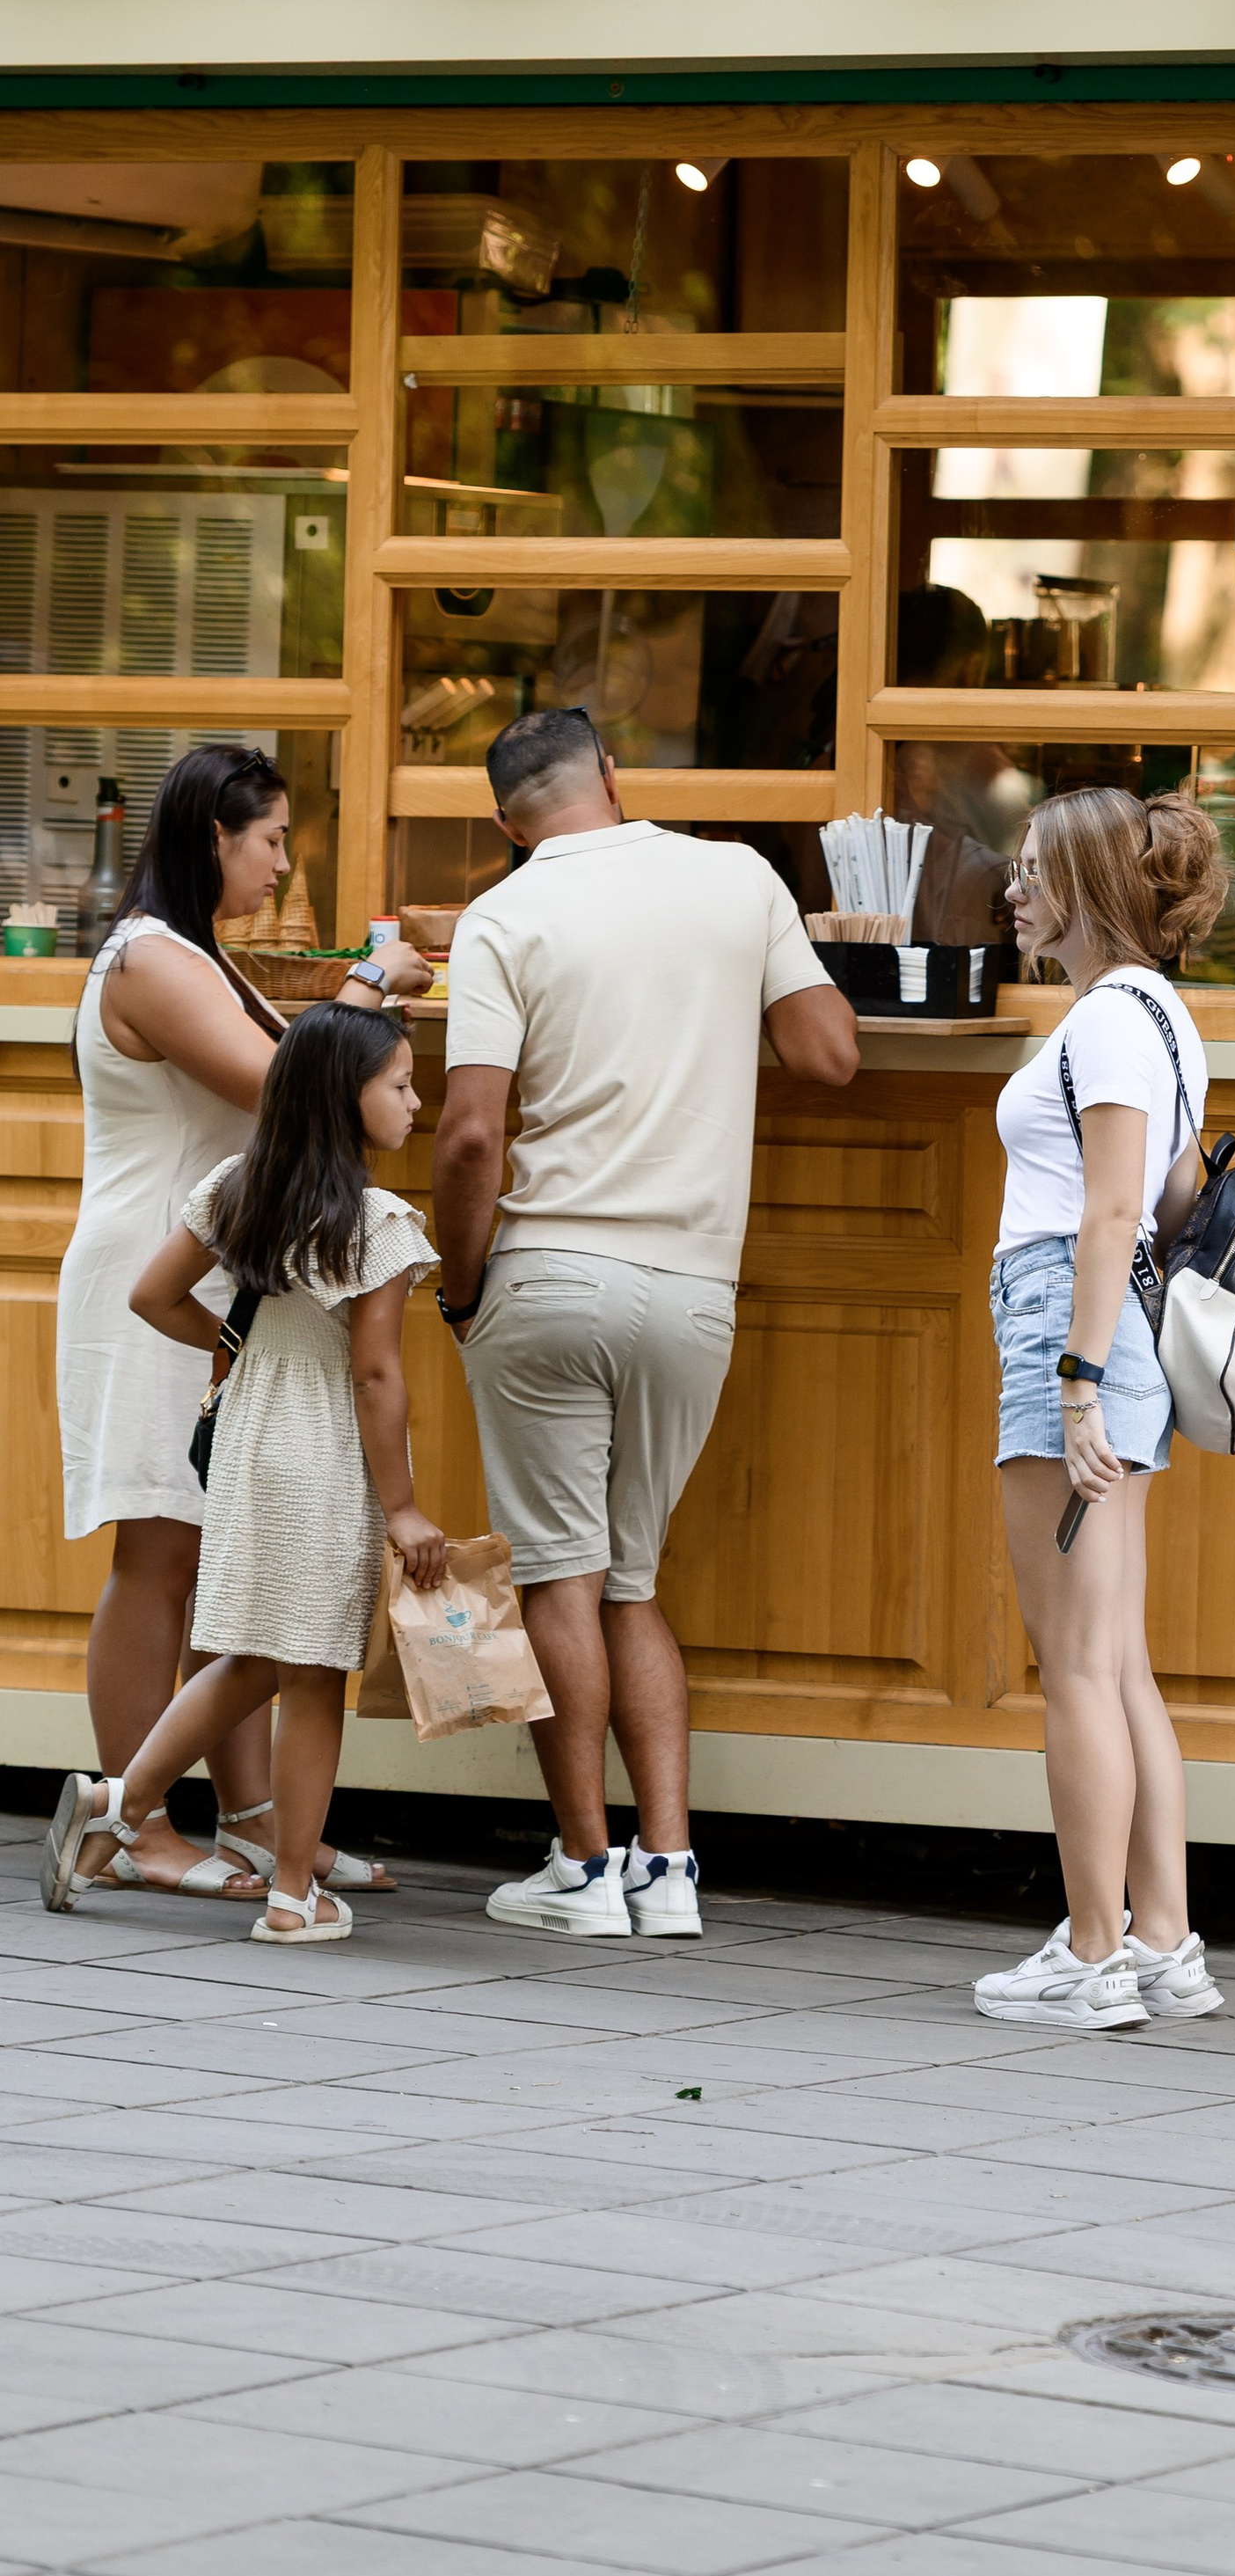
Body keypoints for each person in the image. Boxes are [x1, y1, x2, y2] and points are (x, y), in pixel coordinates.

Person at [429, 706, 859, 1942]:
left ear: (506, 822)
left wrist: (462, 1284)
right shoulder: (736, 877)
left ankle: (582, 1871)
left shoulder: (504, 916)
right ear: (614, 777)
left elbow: (467, 1134)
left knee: (558, 1579)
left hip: (552, 1273)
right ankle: (669, 1873)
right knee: (630, 1579)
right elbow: (828, 1055)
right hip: (693, 1291)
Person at [53, 743, 426, 1899]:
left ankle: (264, 1825)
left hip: (219, 1278)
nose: (280, 864)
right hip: (153, 1277)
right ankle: (129, 1824)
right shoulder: (153, 960)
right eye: (269, 840)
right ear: (214, 836)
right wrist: (370, 988)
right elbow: (287, 1089)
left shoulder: (200, 953)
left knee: (226, 1555)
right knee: (160, 1551)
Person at [44, 1007, 447, 1943]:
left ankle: (119, 1800)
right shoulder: (376, 1224)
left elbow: (152, 1294)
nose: (414, 1099)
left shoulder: (237, 1187)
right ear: (348, 1097)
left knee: (254, 1653)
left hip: (250, 1441)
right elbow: (376, 1374)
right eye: (399, 1083)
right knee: (311, 1672)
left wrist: (237, 1341)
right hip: (325, 1450)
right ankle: (293, 1894)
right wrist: (404, 1509)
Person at [971, 782, 1231, 2031]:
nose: (1013, 889)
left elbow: (1118, 1210)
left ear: (1083, 886)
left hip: (1071, 1330)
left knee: (1073, 1665)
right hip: (1109, 1335)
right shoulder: (1156, 1018)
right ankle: (1165, 1944)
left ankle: (1091, 1955)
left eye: (1031, 870)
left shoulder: (1112, 1022)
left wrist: (1076, 1381)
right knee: (1116, 1662)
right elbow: (1175, 1203)